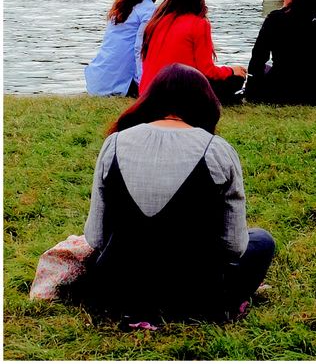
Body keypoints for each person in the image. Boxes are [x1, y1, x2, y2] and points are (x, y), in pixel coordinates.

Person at [78, 63, 275, 322]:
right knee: (261, 240)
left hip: (118, 290)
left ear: (151, 99)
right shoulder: (217, 150)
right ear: (206, 103)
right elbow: (234, 247)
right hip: (198, 295)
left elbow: (96, 238)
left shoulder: (113, 144)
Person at [139, 0, 247, 104]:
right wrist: (232, 71)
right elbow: (207, 70)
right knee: (236, 80)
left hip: (147, 91)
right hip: (178, 93)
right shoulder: (199, 24)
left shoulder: (156, 22)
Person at [86, 0, 168, 97]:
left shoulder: (125, 6)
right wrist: (144, 85)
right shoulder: (148, 10)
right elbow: (139, 49)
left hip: (100, 78)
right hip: (119, 82)